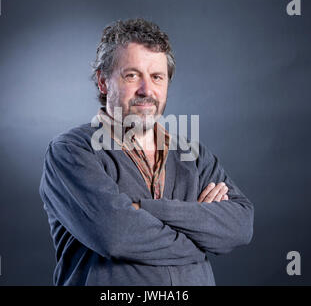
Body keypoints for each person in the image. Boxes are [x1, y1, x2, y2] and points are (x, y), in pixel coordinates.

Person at [39, 18, 254, 286]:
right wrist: (199, 234)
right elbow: (116, 235)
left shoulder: (194, 156)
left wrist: (145, 209)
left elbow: (240, 227)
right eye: (132, 75)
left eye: (157, 77)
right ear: (103, 82)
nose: (147, 90)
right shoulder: (72, 152)